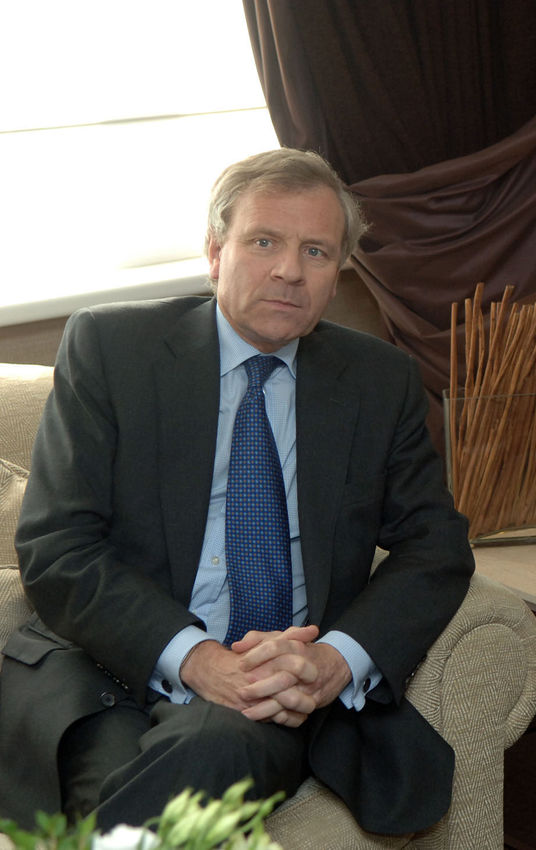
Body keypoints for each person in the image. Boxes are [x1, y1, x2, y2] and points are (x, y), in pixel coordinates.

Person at [0, 148, 474, 834]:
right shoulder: (112, 348)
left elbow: (435, 547)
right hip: (108, 669)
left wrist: (334, 662)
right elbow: (57, 544)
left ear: (337, 269)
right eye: (264, 242)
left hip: (273, 695)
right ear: (216, 252)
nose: (289, 269)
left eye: (316, 250)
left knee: (213, 749)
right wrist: (196, 659)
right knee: (123, 793)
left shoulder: (378, 381)